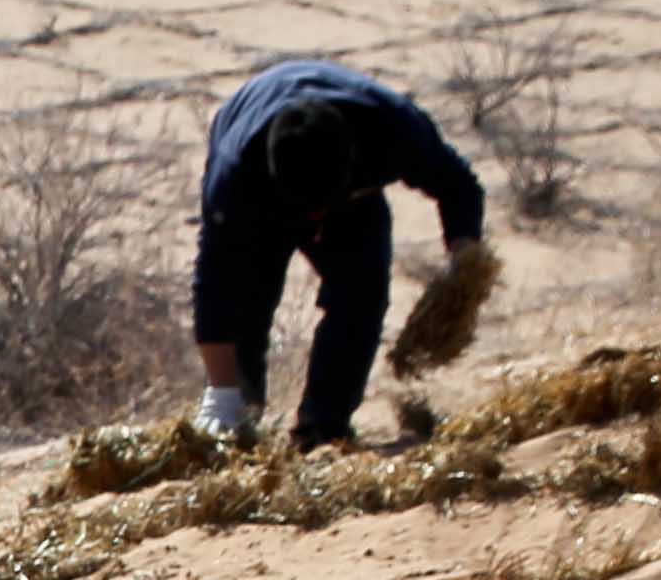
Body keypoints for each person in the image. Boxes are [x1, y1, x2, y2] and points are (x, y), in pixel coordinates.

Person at [187, 57, 494, 453]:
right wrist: (221, 391)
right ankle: (240, 424)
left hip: (353, 204)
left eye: (321, 208)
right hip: (263, 192)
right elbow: (214, 284)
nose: (313, 221)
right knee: (248, 304)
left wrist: (463, 261)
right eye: (307, 211)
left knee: (361, 297)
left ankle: (322, 431)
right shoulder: (236, 176)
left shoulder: (393, 130)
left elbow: (460, 186)